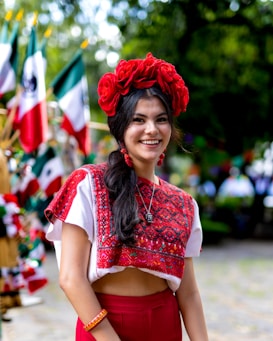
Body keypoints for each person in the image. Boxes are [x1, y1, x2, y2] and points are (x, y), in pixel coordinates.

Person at [45, 52, 209, 341]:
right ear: (121, 128)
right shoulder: (88, 184)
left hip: (165, 325)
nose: (151, 129)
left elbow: (189, 291)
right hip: (103, 325)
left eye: (161, 119)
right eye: (139, 119)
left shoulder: (184, 204)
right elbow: (71, 278)